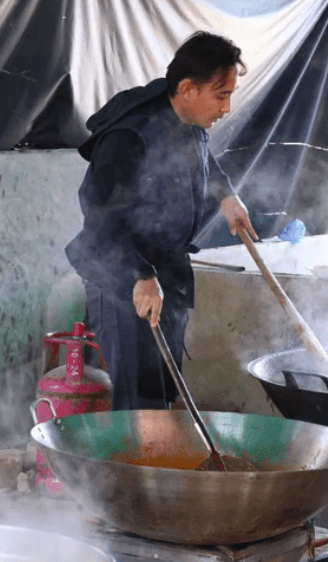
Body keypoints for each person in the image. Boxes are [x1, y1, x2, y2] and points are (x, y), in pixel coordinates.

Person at [65, 31, 258, 412]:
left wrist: (226, 194)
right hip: (121, 276)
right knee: (138, 396)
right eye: (222, 96)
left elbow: (205, 160)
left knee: (163, 389)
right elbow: (98, 210)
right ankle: (132, 468)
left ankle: (158, 464)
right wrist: (140, 274)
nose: (227, 107)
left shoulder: (188, 121)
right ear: (188, 88)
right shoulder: (131, 133)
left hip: (163, 269)